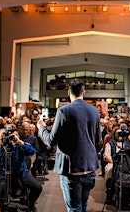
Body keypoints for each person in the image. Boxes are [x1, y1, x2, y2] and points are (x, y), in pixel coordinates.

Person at [41, 78, 102, 212]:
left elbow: (51, 141)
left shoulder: (64, 111)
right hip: (89, 167)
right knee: (83, 206)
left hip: (71, 168)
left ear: (69, 93)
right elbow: (98, 140)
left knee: (74, 208)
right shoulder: (94, 111)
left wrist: (42, 129)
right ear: (83, 93)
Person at [0, 129, 42, 211]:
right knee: (1, 188)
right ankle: (3, 207)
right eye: (1, 136)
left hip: (21, 173)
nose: (4, 138)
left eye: (5, 135)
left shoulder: (17, 147)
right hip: (5, 175)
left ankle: (29, 203)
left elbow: (32, 151)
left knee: (38, 187)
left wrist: (20, 142)